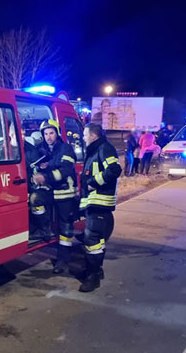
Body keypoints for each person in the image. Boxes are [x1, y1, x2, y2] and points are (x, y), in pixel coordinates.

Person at [79, 122, 122, 292]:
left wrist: (93, 183)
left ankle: (93, 277)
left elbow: (114, 169)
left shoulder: (104, 148)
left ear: (93, 136)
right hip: (95, 203)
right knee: (96, 241)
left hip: (100, 203)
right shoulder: (96, 149)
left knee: (93, 241)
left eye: (85, 134)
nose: (83, 137)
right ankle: (94, 271)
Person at [31, 119, 77, 274]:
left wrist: (46, 176)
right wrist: (37, 172)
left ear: (57, 133)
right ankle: (45, 229)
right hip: (49, 190)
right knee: (35, 200)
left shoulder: (66, 148)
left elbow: (65, 170)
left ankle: (63, 260)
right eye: (45, 133)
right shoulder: (40, 149)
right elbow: (34, 165)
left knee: (65, 227)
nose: (48, 136)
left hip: (65, 192)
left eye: (51, 133)